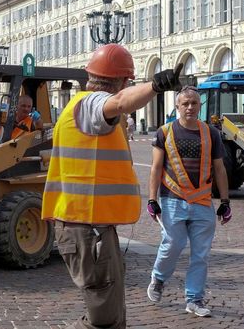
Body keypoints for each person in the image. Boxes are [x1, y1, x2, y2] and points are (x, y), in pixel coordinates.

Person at [42, 44, 183, 329]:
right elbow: (118, 104)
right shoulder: (91, 105)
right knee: (103, 318)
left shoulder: (77, 106)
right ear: (124, 81)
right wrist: (156, 85)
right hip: (85, 227)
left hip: (88, 225)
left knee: (112, 311)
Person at [146, 85, 231, 318]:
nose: (190, 107)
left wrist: (225, 201)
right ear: (177, 106)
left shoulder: (211, 133)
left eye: (194, 103)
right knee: (173, 244)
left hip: (203, 202)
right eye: (185, 103)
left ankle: (194, 299)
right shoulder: (164, 132)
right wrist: (152, 200)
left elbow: (219, 168)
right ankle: (159, 278)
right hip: (173, 199)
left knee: (201, 254)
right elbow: (155, 168)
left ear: (200, 106)